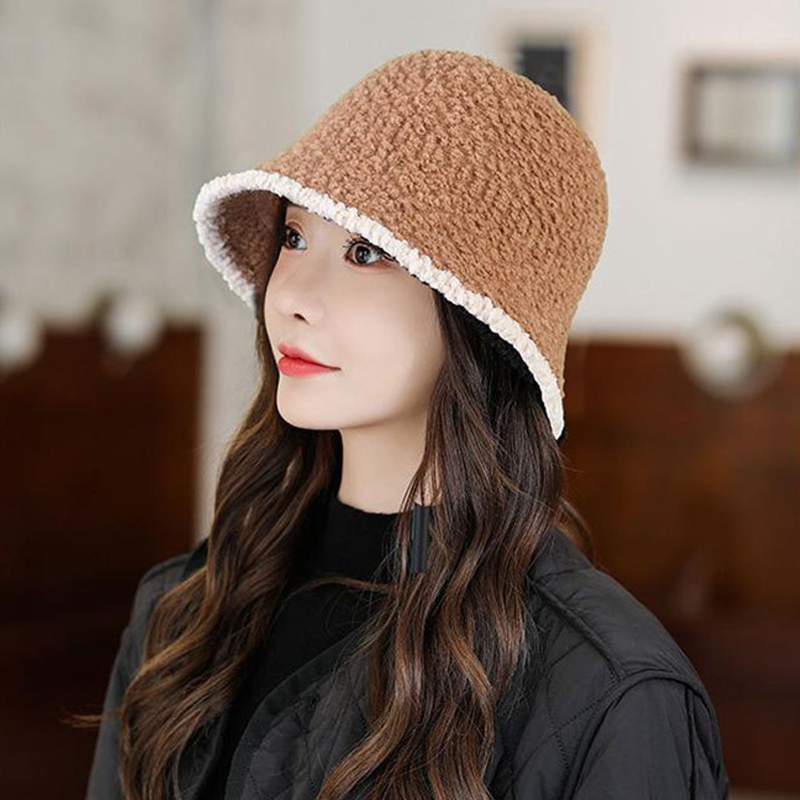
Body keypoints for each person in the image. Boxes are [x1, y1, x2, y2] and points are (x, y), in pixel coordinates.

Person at [81, 49, 730, 800]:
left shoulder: (608, 692)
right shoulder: (184, 615)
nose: (290, 296)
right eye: (294, 237)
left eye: (364, 253)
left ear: (482, 320)